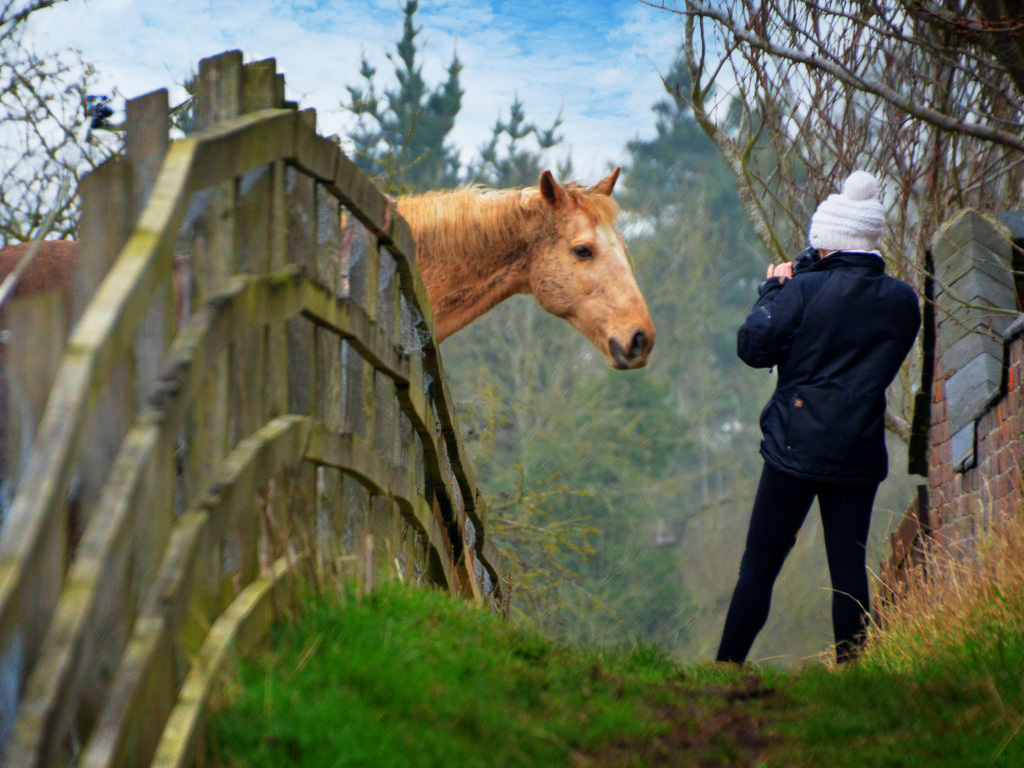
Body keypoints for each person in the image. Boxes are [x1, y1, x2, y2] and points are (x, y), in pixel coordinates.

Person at [716, 170, 921, 664]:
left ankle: (726, 668)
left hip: (794, 447)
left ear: (827, 242)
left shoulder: (802, 292)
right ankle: (852, 671)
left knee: (759, 569)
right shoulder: (903, 301)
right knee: (848, 571)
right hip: (859, 447)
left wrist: (774, 290)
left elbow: (753, 346)